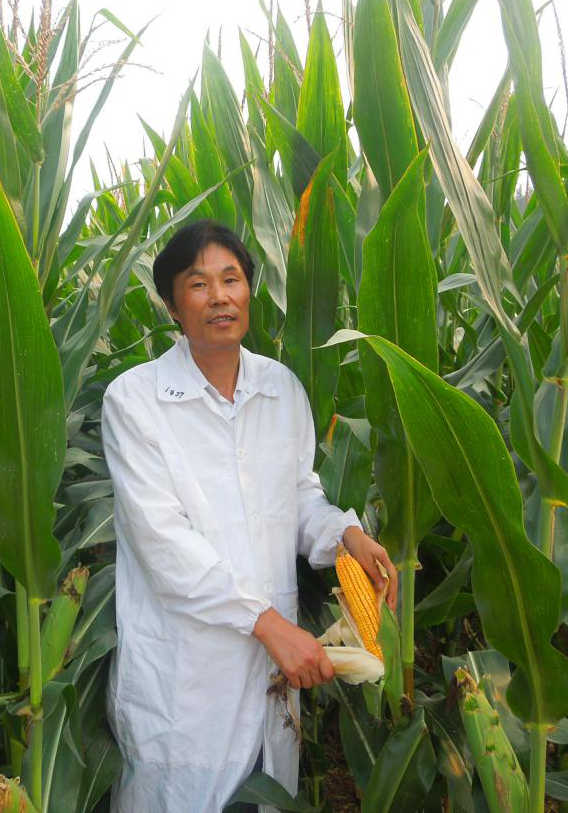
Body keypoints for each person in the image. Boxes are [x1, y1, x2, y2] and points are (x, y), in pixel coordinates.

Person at [101, 219, 397, 812]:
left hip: (273, 669)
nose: (219, 297)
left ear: (249, 291)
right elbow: (164, 545)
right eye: (198, 284)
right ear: (171, 306)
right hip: (186, 677)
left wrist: (346, 534)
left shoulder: (281, 390)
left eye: (231, 279)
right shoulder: (134, 402)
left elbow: (299, 498)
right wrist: (268, 625)